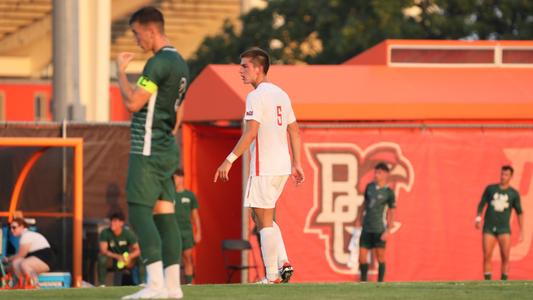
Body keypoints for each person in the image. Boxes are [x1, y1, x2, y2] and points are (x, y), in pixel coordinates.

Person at [214, 47, 305, 284]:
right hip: (282, 166)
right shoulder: (281, 93)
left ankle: (272, 276)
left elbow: (251, 133)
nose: (240, 71)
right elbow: (294, 129)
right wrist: (297, 163)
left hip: (264, 166)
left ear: (258, 68)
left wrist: (228, 160)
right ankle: (283, 261)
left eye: (245, 66)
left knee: (263, 218)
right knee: (260, 215)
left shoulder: (256, 96)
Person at [117, 6, 189, 299]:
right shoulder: (182, 63)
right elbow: (180, 112)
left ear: (151, 30)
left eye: (136, 34)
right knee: (165, 214)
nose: (136, 40)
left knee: (138, 210)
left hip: (147, 148)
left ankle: (155, 285)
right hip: (167, 148)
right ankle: (173, 287)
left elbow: (134, 103)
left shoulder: (158, 64)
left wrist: (119, 73)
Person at [475, 165, 523, 281]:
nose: (503, 177)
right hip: (489, 227)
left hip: (504, 229)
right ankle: (488, 283)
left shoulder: (513, 193)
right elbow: (482, 203)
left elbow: (519, 212)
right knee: (487, 255)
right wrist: (478, 218)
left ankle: (504, 282)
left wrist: (521, 231)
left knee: (505, 257)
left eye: (506, 175)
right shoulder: (491, 189)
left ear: (511, 176)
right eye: (502, 174)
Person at [354, 162, 395, 282]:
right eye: (375, 172)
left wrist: (388, 230)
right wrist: (358, 219)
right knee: (362, 257)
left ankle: (380, 283)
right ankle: (363, 281)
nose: (376, 175)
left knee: (380, 257)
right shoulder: (370, 187)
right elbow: (364, 205)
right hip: (366, 228)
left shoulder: (388, 192)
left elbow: (392, 212)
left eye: (379, 172)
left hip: (379, 229)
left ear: (386, 174)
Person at [1, 218, 55, 287]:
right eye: (10, 228)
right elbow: (18, 258)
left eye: (14, 227)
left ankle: (35, 285)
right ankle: (22, 285)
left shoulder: (26, 235)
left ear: (22, 227)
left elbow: (20, 255)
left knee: (25, 264)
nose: (11, 230)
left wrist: (7, 260)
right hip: (38, 257)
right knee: (16, 263)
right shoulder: (25, 236)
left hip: (47, 259)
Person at [97, 212, 142, 286]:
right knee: (101, 258)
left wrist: (129, 256)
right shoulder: (105, 232)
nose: (112, 223)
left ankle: (142, 282)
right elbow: (103, 250)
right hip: (111, 258)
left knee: (141, 257)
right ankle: (102, 284)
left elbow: (137, 249)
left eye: (115, 221)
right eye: (111, 221)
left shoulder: (128, 233)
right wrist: (117, 256)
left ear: (121, 223)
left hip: (126, 258)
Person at [173, 168, 201, 284]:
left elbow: (195, 215)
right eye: (174, 177)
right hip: (172, 231)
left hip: (186, 232)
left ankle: (189, 284)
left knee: (187, 258)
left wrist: (198, 231)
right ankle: (171, 284)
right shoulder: (169, 195)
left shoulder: (190, 195)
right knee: (172, 259)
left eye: (178, 177)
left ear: (182, 178)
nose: (176, 180)